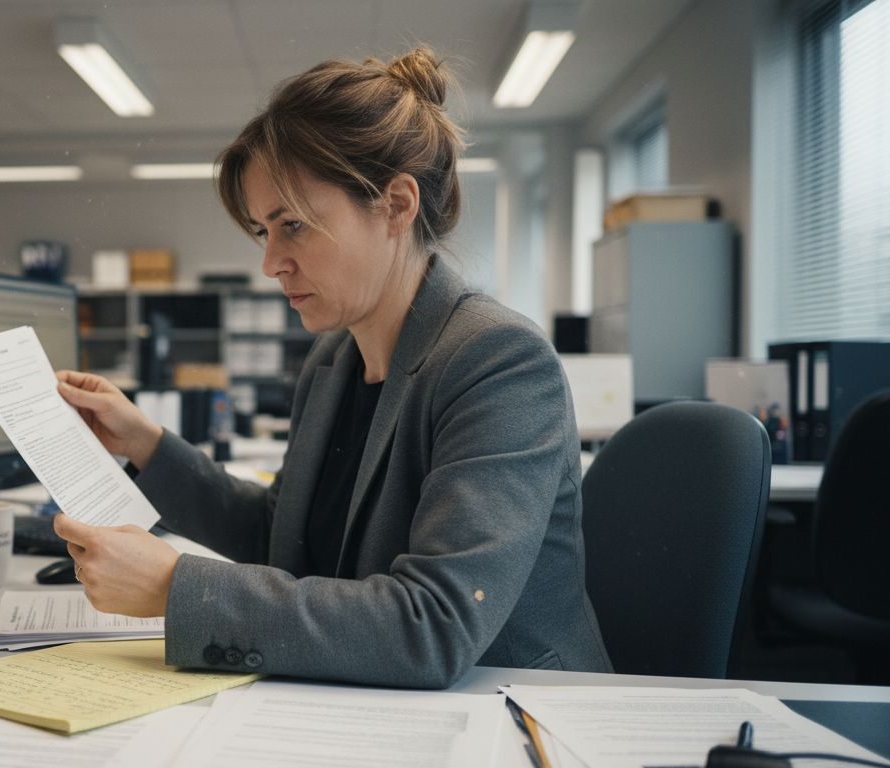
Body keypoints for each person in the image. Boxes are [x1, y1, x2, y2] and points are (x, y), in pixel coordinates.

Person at [52, 46, 612, 688]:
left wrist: (176, 587)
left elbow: (431, 625)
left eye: (293, 225)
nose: (271, 262)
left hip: (509, 711)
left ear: (397, 206)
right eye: (265, 231)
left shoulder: (498, 362)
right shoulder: (333, 359)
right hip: (371, 703)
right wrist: (145, 444)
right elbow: (282, 536)